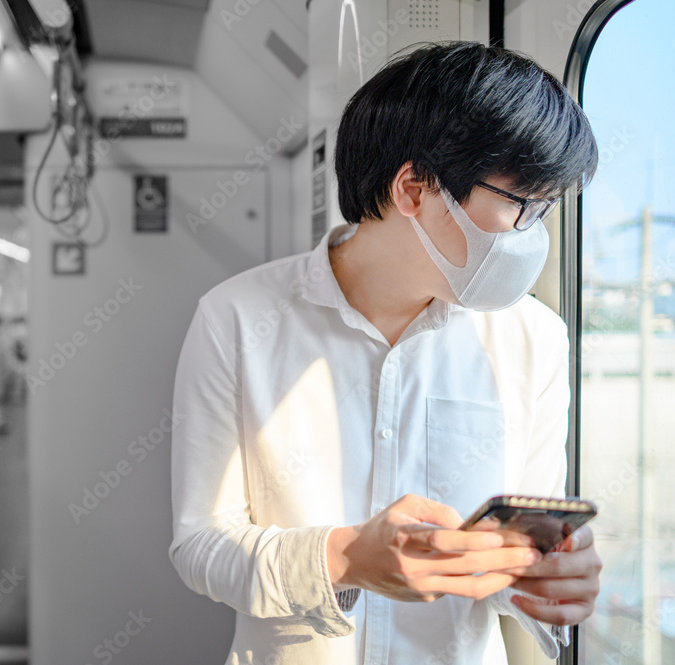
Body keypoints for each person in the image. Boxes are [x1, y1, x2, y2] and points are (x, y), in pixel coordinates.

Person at [168, 41, 601, 665]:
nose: (531, 235)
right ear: (414, 188)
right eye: (518, 204)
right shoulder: (237, 318)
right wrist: (343, 558)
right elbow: (200, 545)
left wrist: (549, 583)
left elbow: (520, 554)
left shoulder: (533, 337)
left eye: (547, 208)